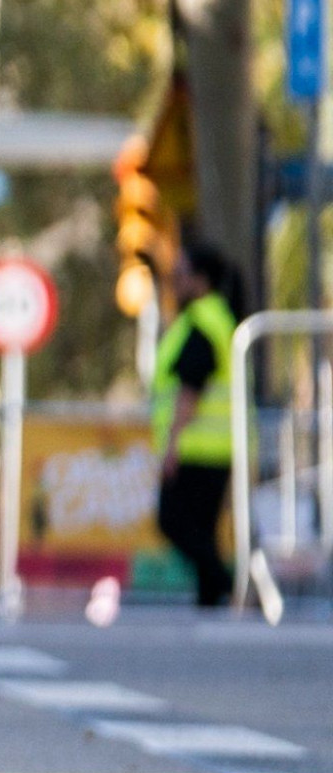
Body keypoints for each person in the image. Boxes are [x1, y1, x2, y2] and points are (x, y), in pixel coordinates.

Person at [152, 230, 247, 610]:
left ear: (200, 278)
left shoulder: (203, 322)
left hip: (199, 447)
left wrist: (172, 445)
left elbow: (190, 388)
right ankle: (211, 600)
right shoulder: (214, 318)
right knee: (202, 529)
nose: (177, 280)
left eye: (182, 272)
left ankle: (223, 583)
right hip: (216, 446)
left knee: (173, 521)